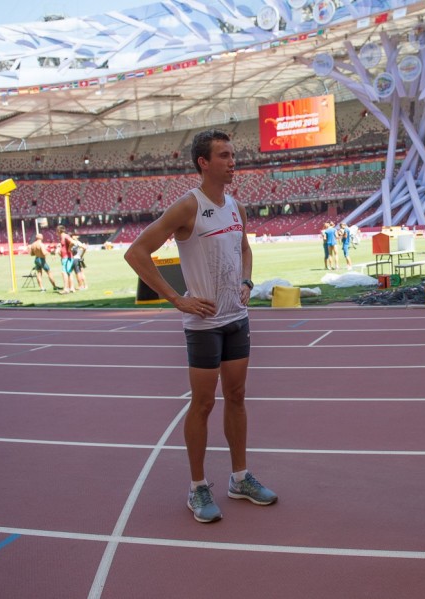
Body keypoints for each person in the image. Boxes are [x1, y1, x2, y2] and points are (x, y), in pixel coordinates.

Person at [124, 129, 277, 524]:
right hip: (204, 324)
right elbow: (136, 252)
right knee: (204, 403)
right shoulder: (187, 207)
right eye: (224, 155)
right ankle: (197, 488)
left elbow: (244, 248)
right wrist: (176, 299)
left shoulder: (236, 207)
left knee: (238, 396)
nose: (232, 161)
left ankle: (240, 479)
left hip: (236, 320)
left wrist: (246, 281)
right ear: (203, 163)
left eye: (232, 154)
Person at [56, 225, 76, 294]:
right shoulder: (63, 236)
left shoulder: (64, 236)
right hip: (67, 257)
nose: (56, 232)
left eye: (56, 230)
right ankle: (72, 288)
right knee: (69, 272)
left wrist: (69, 249)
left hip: (66, 257)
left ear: (59, 230)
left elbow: (73, 242)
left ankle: (66, 289)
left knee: (64, 272)